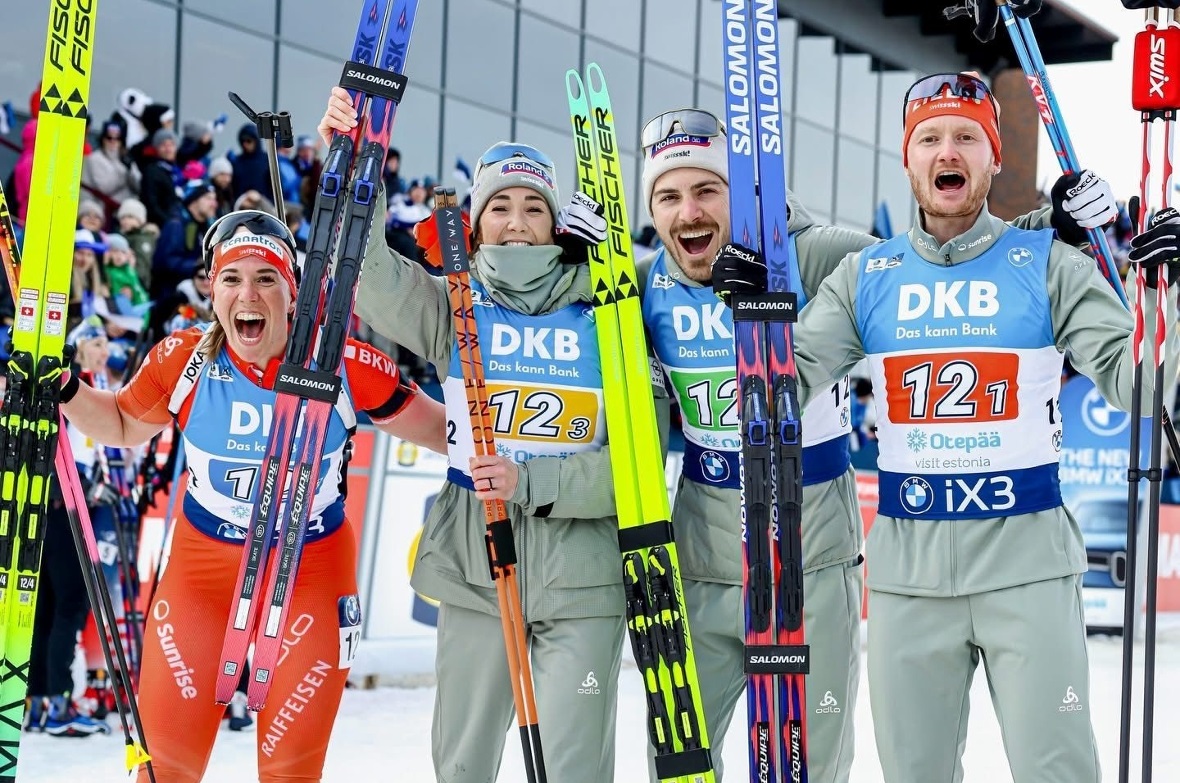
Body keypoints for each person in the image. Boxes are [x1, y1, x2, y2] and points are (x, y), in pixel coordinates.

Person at [713, 72, 1179, 783]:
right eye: (928, 138)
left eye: (966, 136)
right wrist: (753, 320)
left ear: (994, 157)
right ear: (908, 159)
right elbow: (774, 396)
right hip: (909, 576)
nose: (946, 151)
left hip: (1027, 565)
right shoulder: (869, 276)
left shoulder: (1046, 264)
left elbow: (1138, 386)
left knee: (1058, 771)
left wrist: (1167, 292)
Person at [60, 209, 449, 783]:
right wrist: (64, 387)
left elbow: (447, 432)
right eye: (232, 278)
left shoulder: (342, 364)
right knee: (163, 769)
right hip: (203, 575)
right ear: (212, 290)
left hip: (311, 574)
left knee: (291, 773)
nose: (249, 294)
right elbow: (120, 424)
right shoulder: (184, 360)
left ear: (293, 292)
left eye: (266, 278)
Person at [320, 88, 622, 783]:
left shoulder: (608, 311)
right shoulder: (452, 304)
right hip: (474, 563)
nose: (517, 222)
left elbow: (632, 464)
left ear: (557, 225)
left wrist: (531, 480)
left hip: (585, 576)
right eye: (499, 206)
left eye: (534, 207)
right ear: (477, 224)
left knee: (575, 767)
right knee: (462, 762)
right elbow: (363, 268)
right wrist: (353, 162)